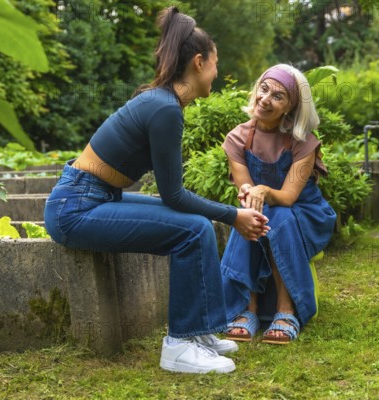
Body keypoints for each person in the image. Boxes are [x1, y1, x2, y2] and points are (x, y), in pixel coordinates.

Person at [44, 7, 269, 373]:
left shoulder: (164, 103)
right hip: (76, 209)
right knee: (194, 228)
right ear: (199, 62)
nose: (217, 72)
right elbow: (174, 196)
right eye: (216, 63)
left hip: (91, 197)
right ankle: (179, 346)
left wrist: (223, 214)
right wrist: (234, 216)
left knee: (197, 225)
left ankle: (199, 331)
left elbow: (171, 195)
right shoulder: (164, 108)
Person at [221, 64, 336, 344]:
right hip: (264, 207)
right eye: (263, 89)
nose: (265, 99)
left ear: (290, 107)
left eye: (278, 96)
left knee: (279, 215)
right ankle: (247, 309)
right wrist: (251, 193)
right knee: (249, 214)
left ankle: (287, 311)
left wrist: (261, 191)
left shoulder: (302, 142)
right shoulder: (237, 138)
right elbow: (244, 186)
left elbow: (288, 196)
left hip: (304, 212)